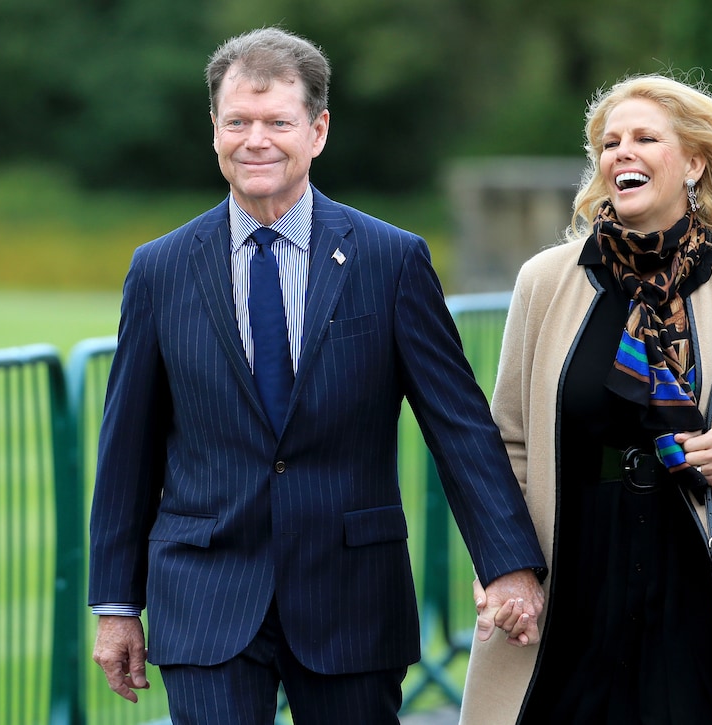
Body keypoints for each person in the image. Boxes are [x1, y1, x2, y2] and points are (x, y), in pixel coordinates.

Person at [88, 26, 547, 725]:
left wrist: (508, 563)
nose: (255, 140)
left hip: (351, 596)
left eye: (277, 121)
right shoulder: (160, 269)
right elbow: (128, 445)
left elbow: (458, 425)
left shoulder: (389, 261)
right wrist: (117, 605)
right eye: (237, 121)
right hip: (206, 592)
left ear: (318, 130)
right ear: (213, 128)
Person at [459, 73, 712, 725]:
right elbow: (505, 439)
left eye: (646, 137)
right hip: (573, 562)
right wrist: (504, 563)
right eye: (610, 141)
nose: (622, 151)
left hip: (692, 569)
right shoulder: (545, 280)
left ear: (695, 162)